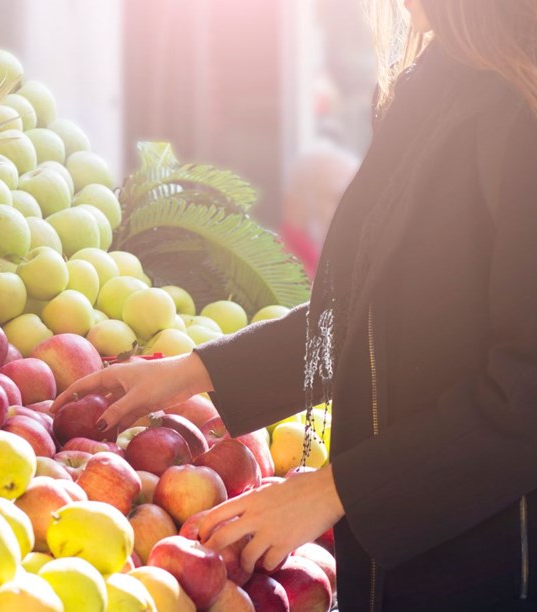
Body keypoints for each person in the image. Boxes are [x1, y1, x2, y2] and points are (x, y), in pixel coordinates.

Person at [52, 1, 537, 609]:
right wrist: (193, 372)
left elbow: (525, 398)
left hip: (485, 568)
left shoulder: (521, 105)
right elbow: (370, 319)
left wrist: (334, 491)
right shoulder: (436, 74)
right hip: (387, 565)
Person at [279, 141, 361, 279]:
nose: (353, 214)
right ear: (294, 206)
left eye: (356, 202)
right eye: (338, 199)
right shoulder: (272, 278)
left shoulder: (341, 269)